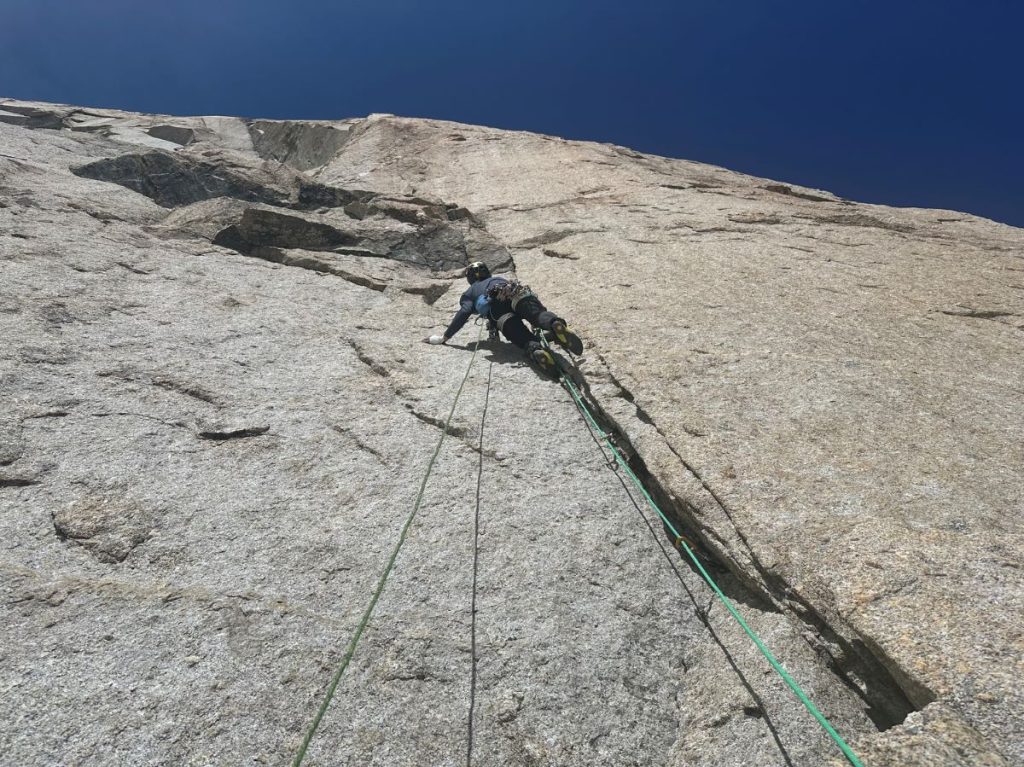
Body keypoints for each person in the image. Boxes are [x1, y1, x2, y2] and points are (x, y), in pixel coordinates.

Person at [426, 261, 583, 372]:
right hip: (515, 293)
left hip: (498, 309)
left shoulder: (470, 291)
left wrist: (444, 337)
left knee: (520, 335)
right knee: (538, 314)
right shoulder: (499, 279)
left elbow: (464, 312)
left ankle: (534, 349)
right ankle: (554, 324)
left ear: (470, 279)